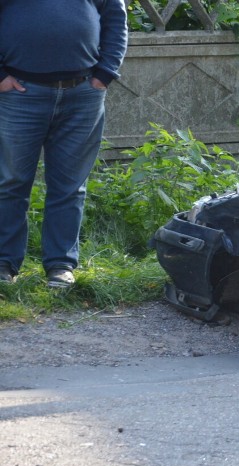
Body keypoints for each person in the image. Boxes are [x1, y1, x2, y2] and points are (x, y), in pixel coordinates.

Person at [0, 0, 127, 288]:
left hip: (82, 94)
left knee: (70, 186)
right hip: (20, 94)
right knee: (11, 182)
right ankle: (4, 262)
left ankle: (60, 265)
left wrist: (105, 73)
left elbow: (115, 21)